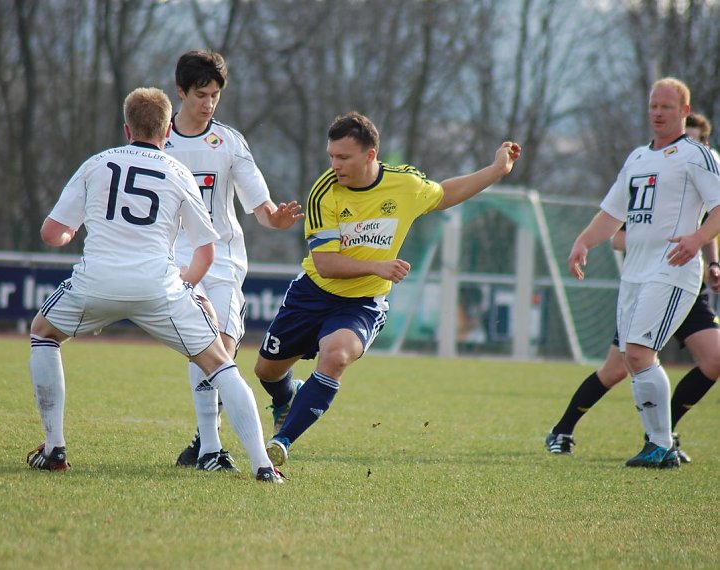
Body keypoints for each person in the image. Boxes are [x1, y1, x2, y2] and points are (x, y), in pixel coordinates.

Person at [25, 86, 284, 483]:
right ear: (167, 132)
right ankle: (263, 466)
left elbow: (51, 233)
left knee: (43, 333)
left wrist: (70, 233)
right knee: (220, 364)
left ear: (126, 130)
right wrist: (188, 288)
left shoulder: (97, 164)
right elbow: (206, 252)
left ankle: (54, 448)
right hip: (158, 288)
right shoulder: (178, 173)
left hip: (97, 283)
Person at [254, 111, 521, 467]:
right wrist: (377, 266)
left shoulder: (405, 184)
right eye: (331, 156)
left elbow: (445, 193)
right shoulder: (324, 192)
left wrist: (496, 170)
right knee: (266, 371)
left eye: (343, 157)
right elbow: (326, 264)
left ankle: (282, 441)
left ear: (370, 155)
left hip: (362, 303)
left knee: (336, 357)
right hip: (313, 294)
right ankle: (286, 399)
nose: (335, 165)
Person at [546, 113, 720, 461]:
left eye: (698, 140)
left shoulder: (700, 173)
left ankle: (663, 435)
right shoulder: (652, 170)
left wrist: (713, 263)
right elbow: (618, 231)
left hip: (684, 287)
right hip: (647, 283)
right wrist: (646, 243)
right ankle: (562, 429)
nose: (691, 145)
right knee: (617, 369)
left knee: (715, 359)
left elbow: (707, 231)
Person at [166, 50, 304, 471]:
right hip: (174, 260)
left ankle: (204, 442)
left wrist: (274, 217)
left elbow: (259, 204)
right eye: (200, 95)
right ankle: (210, 447)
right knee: (205, 346)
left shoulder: (228, 142)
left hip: (223, 260)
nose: (208, 103)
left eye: (215, 95)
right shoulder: (159, 140)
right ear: (180, 92)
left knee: (222, 349)